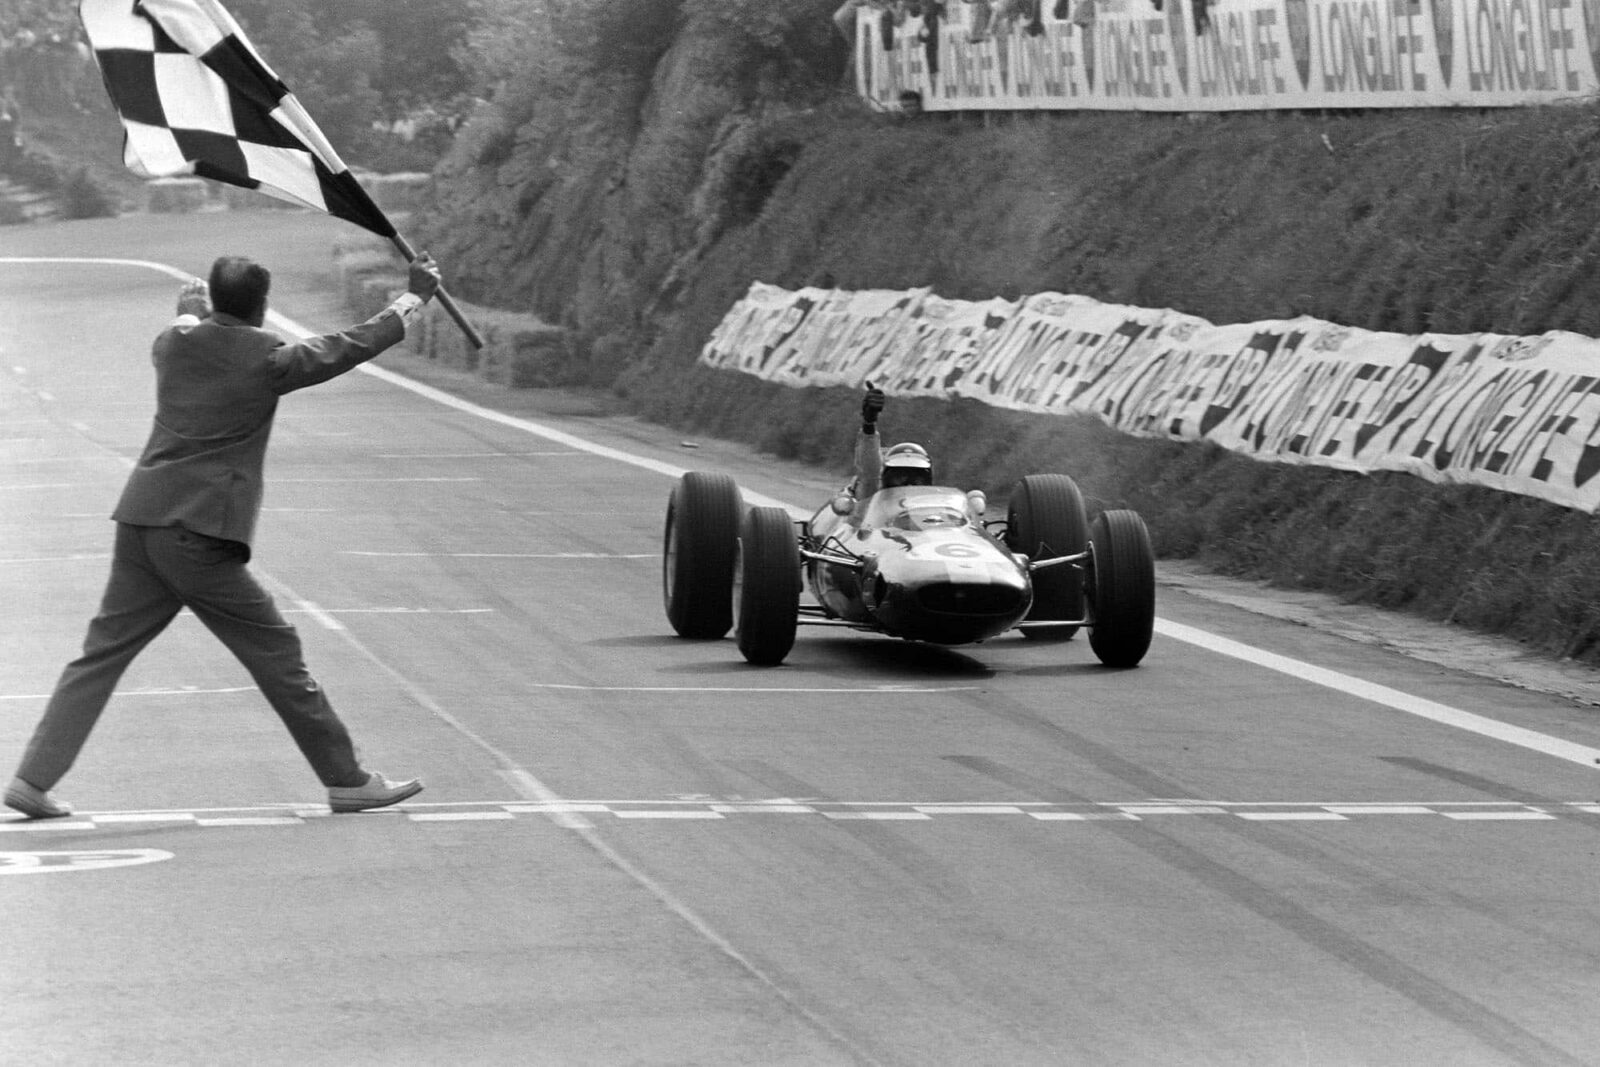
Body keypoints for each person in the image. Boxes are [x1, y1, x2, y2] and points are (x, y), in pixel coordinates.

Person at [4, 252, 444, 820]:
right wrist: (416, 296)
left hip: (141, 521)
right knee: (276, 650)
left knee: (100, 658)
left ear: (212, 298)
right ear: (262, 306)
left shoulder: (172, 345)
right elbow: (354, 343)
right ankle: (346, 778)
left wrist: (189, 314)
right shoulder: (270, 360)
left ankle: (33, 779)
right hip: (200, 532)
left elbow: (185, 326)